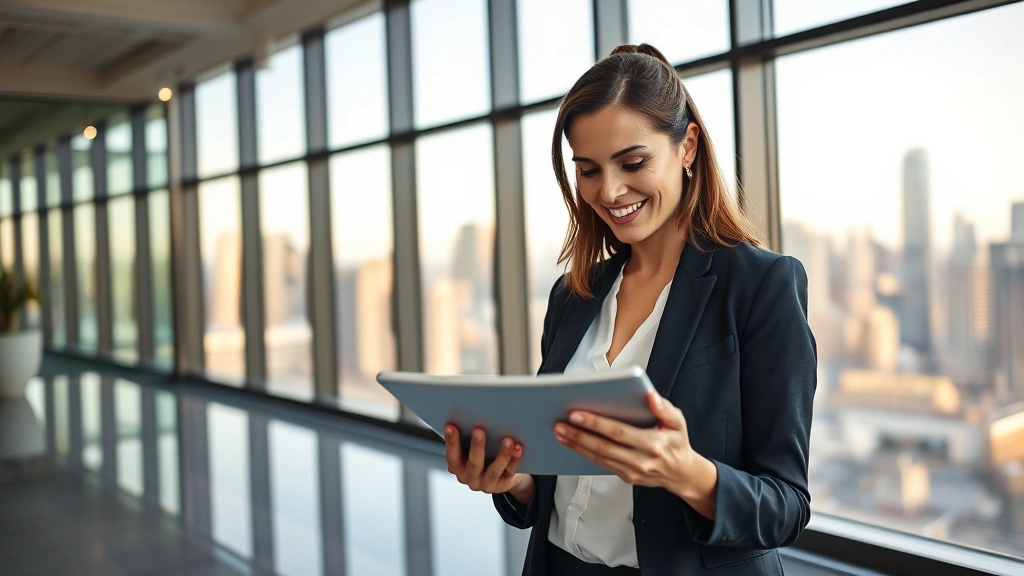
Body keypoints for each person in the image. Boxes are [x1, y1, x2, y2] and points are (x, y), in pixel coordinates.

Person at [443, 44, 816, 575]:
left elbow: (786, 506)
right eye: (589, 170)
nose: (610, 191)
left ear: (687, 147)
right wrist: (514, 480)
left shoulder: (761, 286)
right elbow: (557, 485)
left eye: (633, 162)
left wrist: (687, 472)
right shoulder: (573, 295)